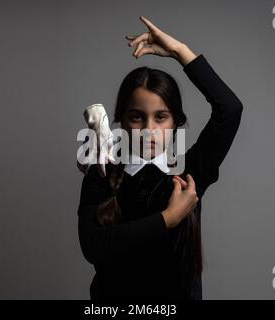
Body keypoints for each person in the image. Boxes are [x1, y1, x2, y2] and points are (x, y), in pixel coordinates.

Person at [77, 16, 243, 300]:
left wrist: (180, 51)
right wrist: (168, 218)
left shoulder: (188, 174)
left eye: (161, 117)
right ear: (122, 122)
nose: (149, 130)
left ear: (176, 122)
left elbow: (230, 109)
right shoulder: (102, 174)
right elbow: (94, 247)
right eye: (137, 117)